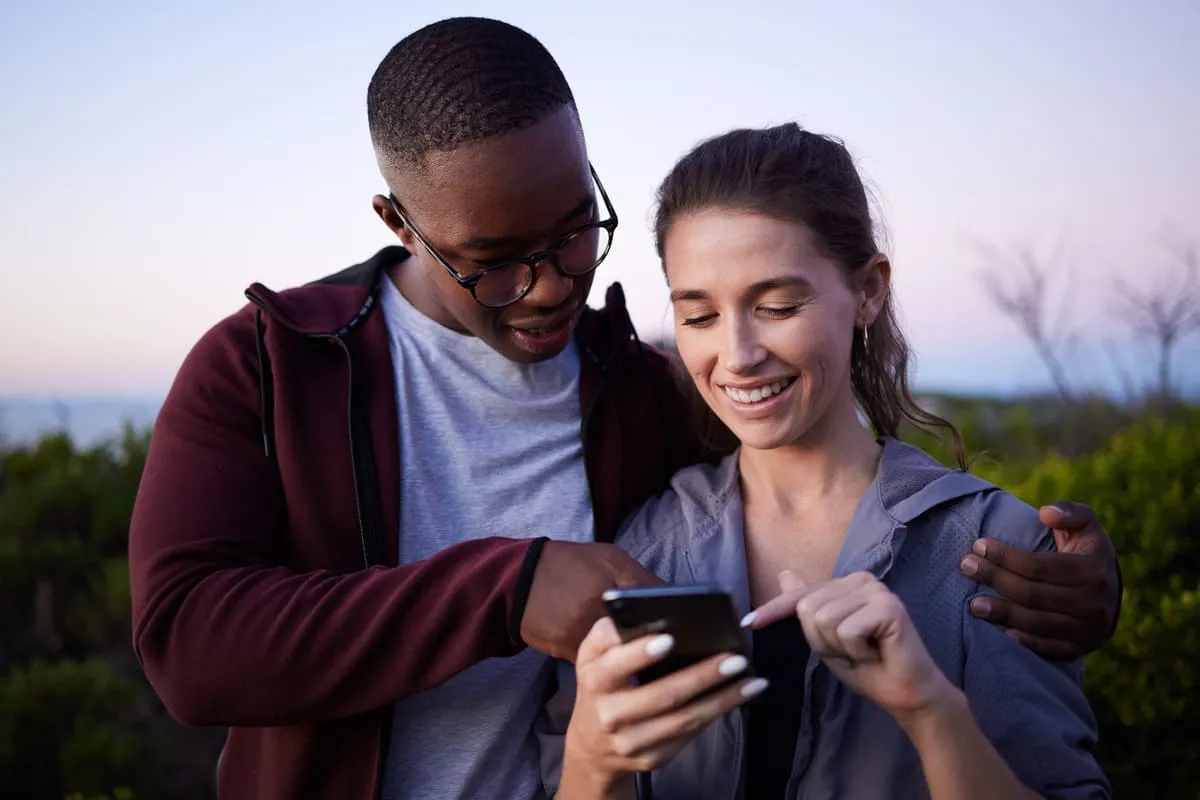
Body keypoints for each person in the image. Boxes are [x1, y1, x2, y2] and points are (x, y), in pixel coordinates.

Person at [126, 17, 1120, 800]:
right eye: (497, 263)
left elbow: (816, 465)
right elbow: (187, 640)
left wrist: (1080, 584)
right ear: (400, 222)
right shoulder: (268, 367)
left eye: (574, 232)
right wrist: (508, 587)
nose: (552, 284)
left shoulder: (633, 388)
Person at [550, 123, 1111, 799]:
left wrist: (933, 713)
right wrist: (589, 761)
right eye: (699, 316)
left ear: (869, 290)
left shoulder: (995, 551)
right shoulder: (644, 547)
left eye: (778, 306)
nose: (737, 354)